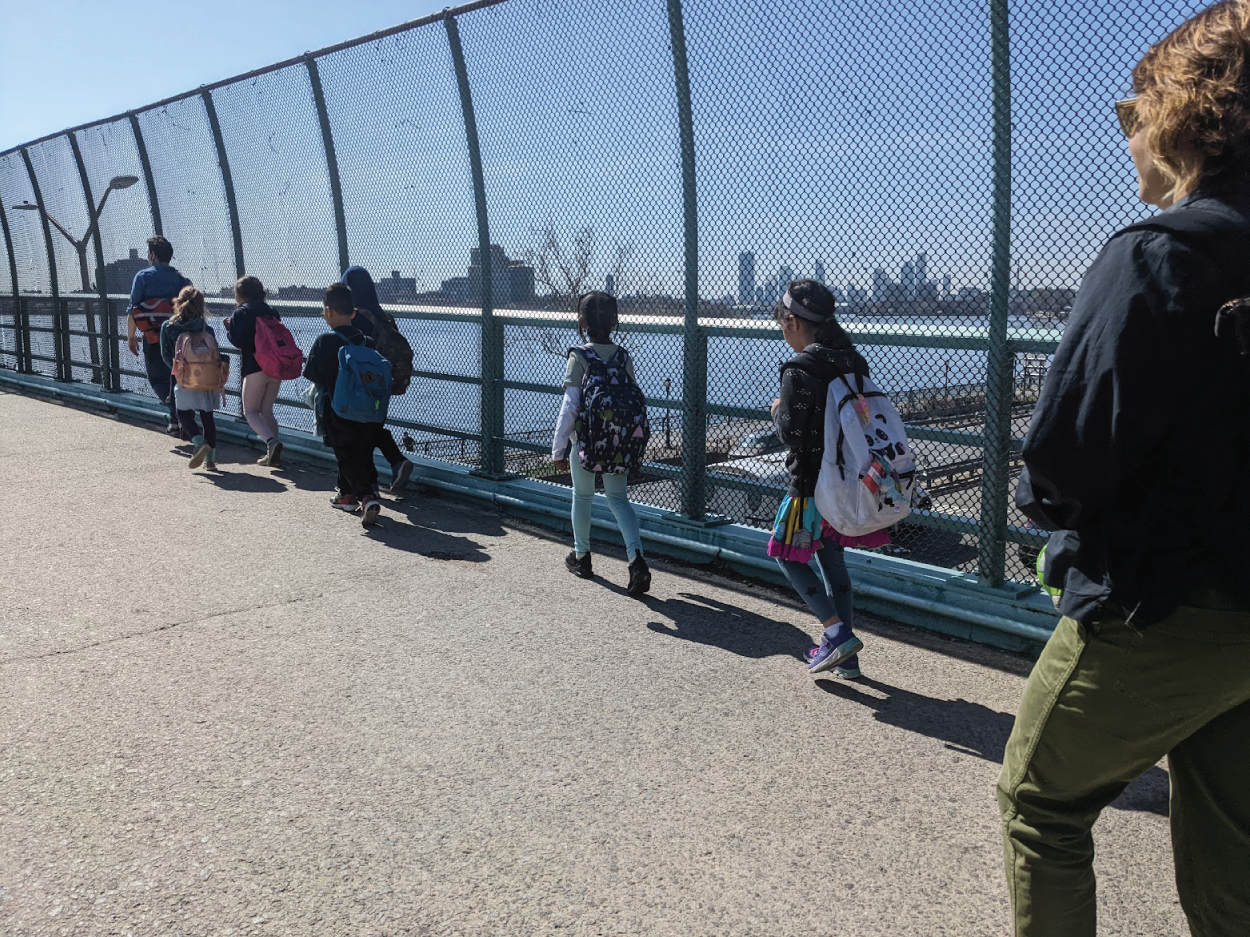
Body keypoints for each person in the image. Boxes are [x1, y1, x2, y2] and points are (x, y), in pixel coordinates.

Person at [999, 4, 1250, 935]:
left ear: (1186, 117)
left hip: (1162, 607)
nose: (1128, 134)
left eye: (1132, 113)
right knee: (1234, 854)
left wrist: (1049, 509)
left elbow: (1061, 462)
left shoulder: (1158, 257)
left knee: (1041, 800)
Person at [770, 280, 888, 678]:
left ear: (792, 321)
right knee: (833, 563)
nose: (784, 334)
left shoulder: (800, 369)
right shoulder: (853, 360)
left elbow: (791, 433)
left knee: (787, 556)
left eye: (783, 326)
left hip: (809, 486)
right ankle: (846, 658)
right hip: (848, 482)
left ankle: (835, 633)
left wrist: (776, 410)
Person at [552, 291, 651, 596]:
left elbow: (570, 406)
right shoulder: (623, 356)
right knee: (619, 499)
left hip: (587, 442)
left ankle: (582, 557)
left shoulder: (578, 356)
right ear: (615, 322)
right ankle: (636, 560)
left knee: (582, 497)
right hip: (620, 441)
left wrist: (558, 448)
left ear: (582, 323)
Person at [304, 283, 384, 527]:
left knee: (345, 453)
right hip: (369, 409)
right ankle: (346, 495)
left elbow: (313, 375)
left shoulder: (324, 342)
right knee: (360, 450)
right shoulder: (367, 342)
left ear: (328, 312)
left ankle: (366, 497)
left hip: (337, 408)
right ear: (353, 313)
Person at [339, 266, 414, 493]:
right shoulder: (384, 316)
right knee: (372, 425)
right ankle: (395, 462)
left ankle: (370, 480)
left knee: (357, 430)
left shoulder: (355, 317)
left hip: (361, 383)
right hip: (385, 380)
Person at [127, 236, 192, 436]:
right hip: (180, 337)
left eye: (149, 253)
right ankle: (179, 419)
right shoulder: (182, 280)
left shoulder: (143, 276)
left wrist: (131, 336)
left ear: (152, 255)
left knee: (157, 378)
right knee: (178, 378)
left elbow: (133, 309)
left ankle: (177, 417)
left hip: (153, 336)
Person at [223, 276, 285, 468]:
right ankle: (273, 455)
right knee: (266, 410)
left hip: (255, 367)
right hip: (276, 366)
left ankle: (271, 442)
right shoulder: (271, 311)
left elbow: (238, 341)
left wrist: (229, 328)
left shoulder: (241, 312)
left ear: (241, 294)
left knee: (250, 411)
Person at [159, 286, 221, 471]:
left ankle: (199, 441)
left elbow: (165, 354)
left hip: (183, 378)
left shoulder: (168, 327)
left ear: (178, 303)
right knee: (207, 417)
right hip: (207, 379)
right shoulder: (206, 329)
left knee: (183, 413)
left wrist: (178, 371)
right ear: (202, 306)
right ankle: (211, 461)